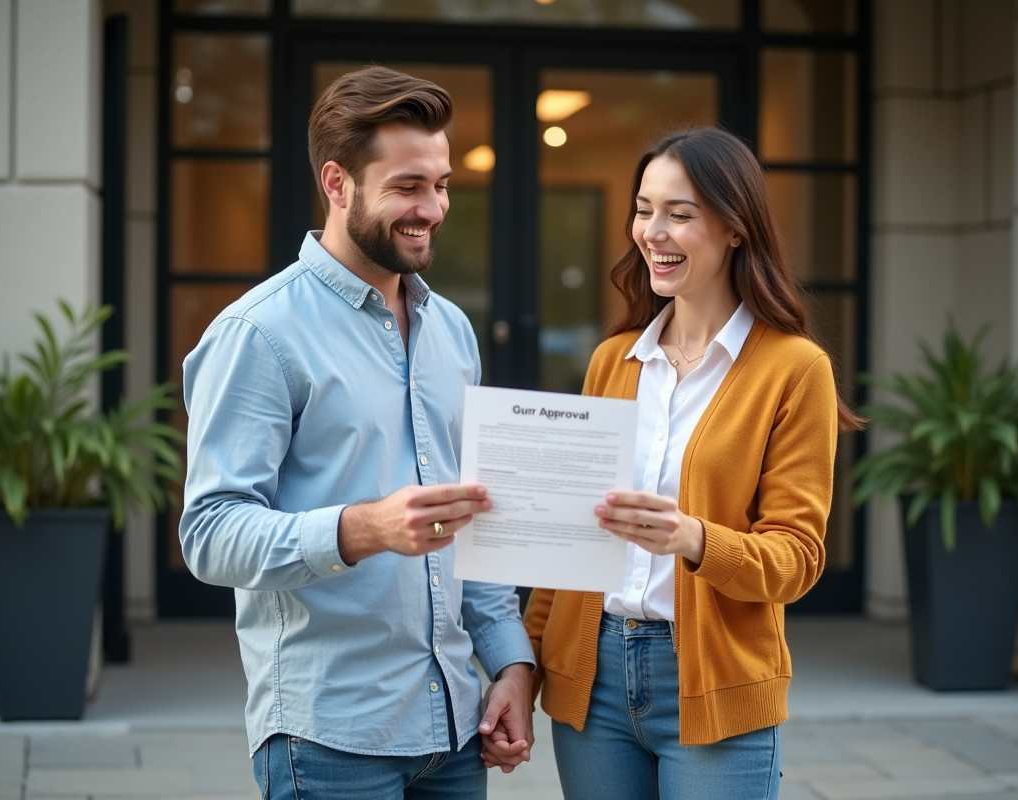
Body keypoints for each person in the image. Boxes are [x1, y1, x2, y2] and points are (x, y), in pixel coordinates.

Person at [180, 66, 534, 800]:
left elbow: (479, 521)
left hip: (454, 730)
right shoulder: (259, 334)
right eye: (408, 186)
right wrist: (362, 528)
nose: (433, 208)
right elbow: (210, 534)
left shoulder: (452, 331)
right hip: (330, 737)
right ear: (338, 183)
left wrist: (511, 666)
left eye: (440, 185)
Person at [524, 126, 864, 800]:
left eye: (680, 214)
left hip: (711, 682)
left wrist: (692, 538)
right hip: (593, 681)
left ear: (736, 228)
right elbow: (567, 546)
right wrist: (525, 668)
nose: (653, 231)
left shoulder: (795, 370)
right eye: (645, 209)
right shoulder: (613, 360)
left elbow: (797, 558)